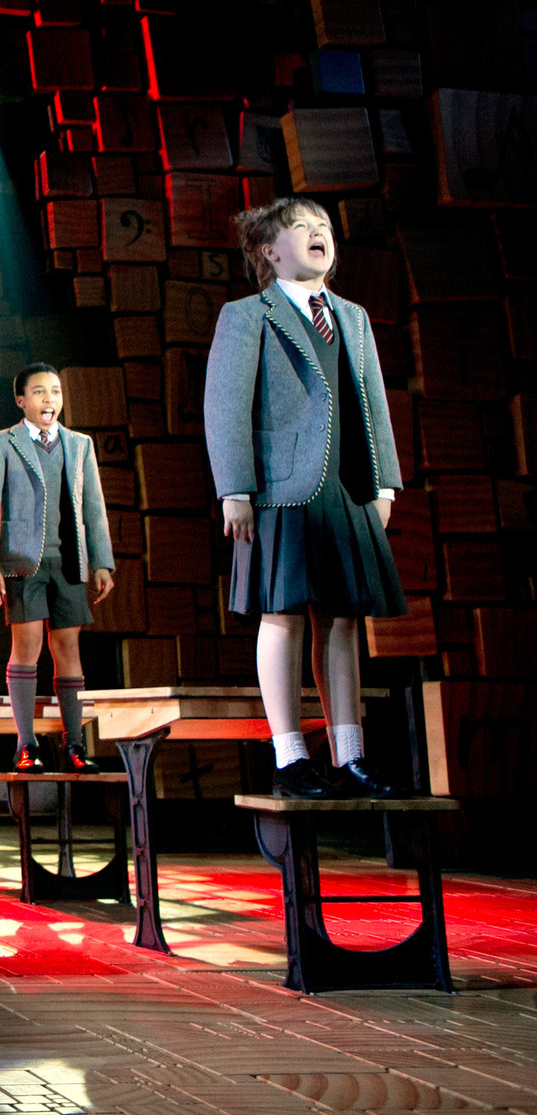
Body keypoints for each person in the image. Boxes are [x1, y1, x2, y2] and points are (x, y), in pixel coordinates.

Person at [204, 197, 406, 799]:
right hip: (280, 489)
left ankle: (351, 755)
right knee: (283, 612)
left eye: (324, 227)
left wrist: (384, 482)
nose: (319, 233)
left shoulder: (353, 316)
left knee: (343, 619)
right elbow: (226, 405)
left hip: (346, 488)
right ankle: (290, 756)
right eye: (302, 227)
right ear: (270, 251)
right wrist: (234, 487)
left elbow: (374, 402)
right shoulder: (249, 315)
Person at [0, 363, 117, 774]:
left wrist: (102, 562)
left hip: (67, 560)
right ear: (21, 400)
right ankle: (26, 744)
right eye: (39, 391)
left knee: (68, 648)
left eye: (55, 391)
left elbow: (94, 508)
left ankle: (74, 744)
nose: (49, 399)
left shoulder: (79, 444)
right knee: (28, 645)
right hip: (23, 561)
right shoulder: (2, 442)